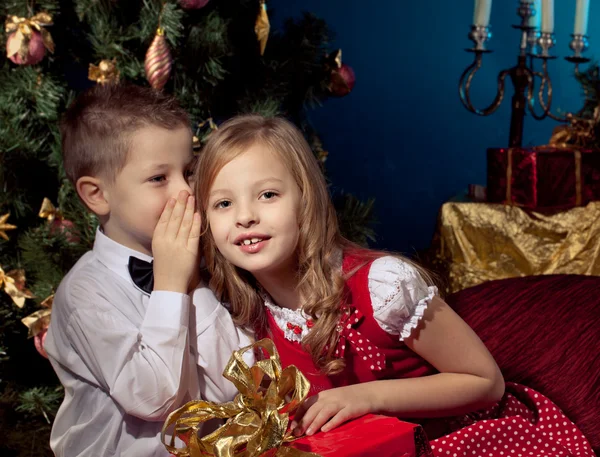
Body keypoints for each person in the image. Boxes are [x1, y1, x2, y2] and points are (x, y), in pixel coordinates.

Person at [192, 114, 595, 457]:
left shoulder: (382, 284)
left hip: (458, 442)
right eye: (223, 203)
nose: (244, 216)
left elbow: (486, 383)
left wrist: (366, 398)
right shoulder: (245, 314)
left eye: (267, 194)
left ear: (306, 199)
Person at [44, 84, 252, 457]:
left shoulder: (203, 264)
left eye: (187, 171)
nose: (185, 192)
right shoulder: (83, 294)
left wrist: (193, 285)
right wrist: (171, 284)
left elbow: (234, 385)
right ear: (97, 195)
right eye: (159, 178)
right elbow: (154, 400)